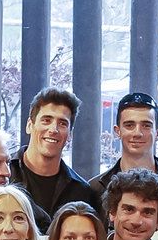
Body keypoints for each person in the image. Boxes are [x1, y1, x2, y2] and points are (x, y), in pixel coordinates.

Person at [10, 86, 97, 216]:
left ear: (70, 134)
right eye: (46, 120)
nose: (53, 129)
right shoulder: (4, 174)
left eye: (62, 123)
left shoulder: (81, 191)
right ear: (29, 125)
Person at [90, 90, 158, 203]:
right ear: (117, 131)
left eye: (146, 126)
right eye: (129, 125)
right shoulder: (94, 189)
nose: (137, 133)